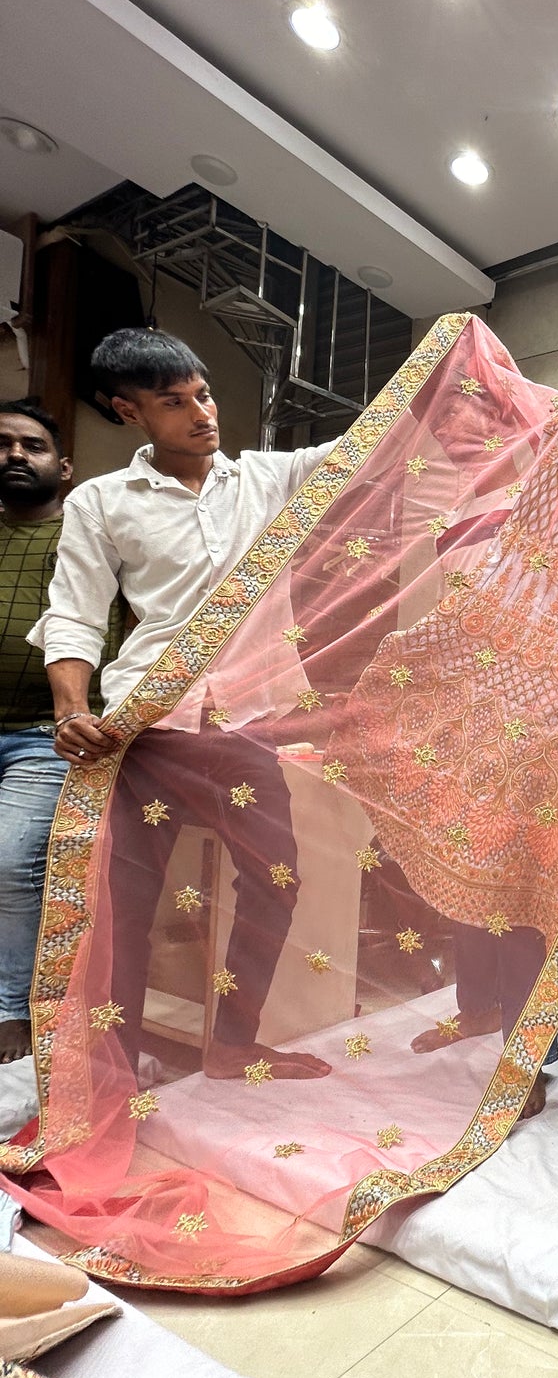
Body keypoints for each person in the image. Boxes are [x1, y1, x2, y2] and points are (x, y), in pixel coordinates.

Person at [32, 328, 336, 1081]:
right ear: (128, 411)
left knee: (276, 878)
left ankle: (234, 1046)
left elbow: (385, 442)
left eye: (203, 392)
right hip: (147, 728)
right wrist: (71, 708)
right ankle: (108, 1069)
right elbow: (74, 613)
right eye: (175, 402)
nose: (203, 412)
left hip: (245, 721)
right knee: (126, 906)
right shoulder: (102, 501)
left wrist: (458, 360)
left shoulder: (270, 479)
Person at [0, 402, 107, 1064]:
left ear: (63, 466)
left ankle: (11, 1008)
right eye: (2, 443)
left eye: (31, 445)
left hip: (47, 732)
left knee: (11, 861)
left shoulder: (88, 541)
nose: (14, 454)